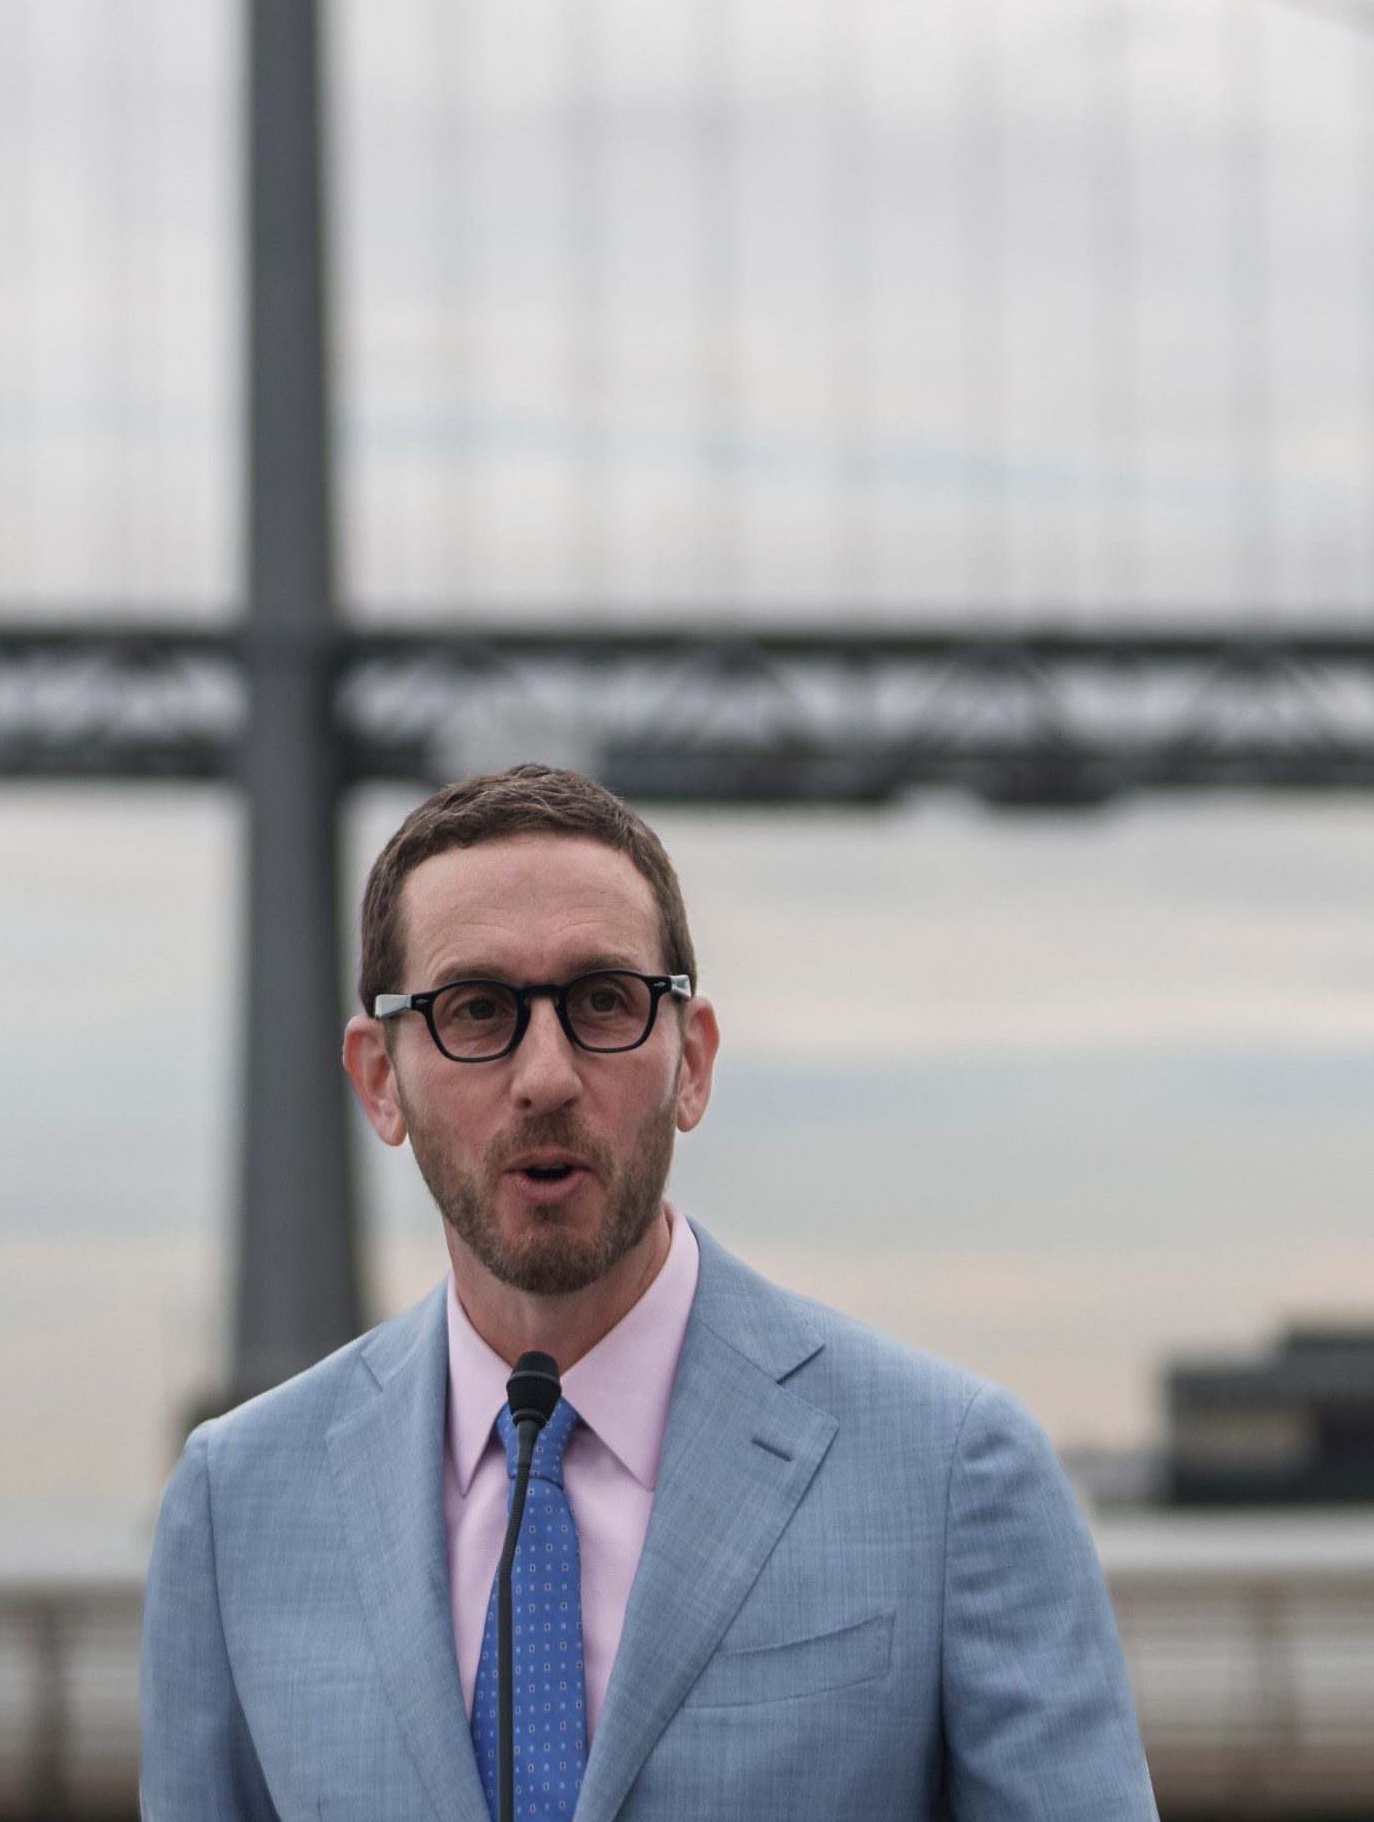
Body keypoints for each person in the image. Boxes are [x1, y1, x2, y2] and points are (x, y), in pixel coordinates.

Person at [142, 764, 1154, 1822]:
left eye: (603, 1003)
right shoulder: (235, 1505)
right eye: (477, 1010)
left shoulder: (954, 1472)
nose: (547, 1074)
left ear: (694, 1061)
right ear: (379, 1080)